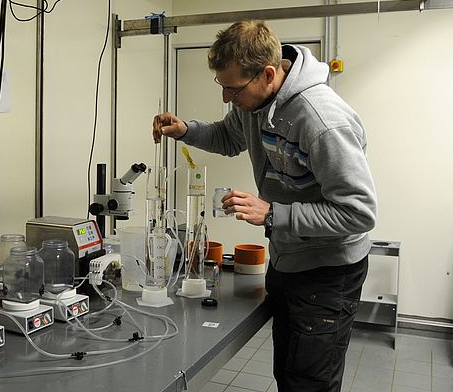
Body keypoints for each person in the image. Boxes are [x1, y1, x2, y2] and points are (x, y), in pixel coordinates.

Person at [153, 20, 376, 392]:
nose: (226, 97)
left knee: (310, 384)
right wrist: (186, 131)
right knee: (289, 375)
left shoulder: (322, 121)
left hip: (328, 272)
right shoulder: (255, 103)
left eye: (232, 88)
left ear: (268, 74)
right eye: (221, 86)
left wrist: (273, 214)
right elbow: (228, 136)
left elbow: (359, 212)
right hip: (287, 258)